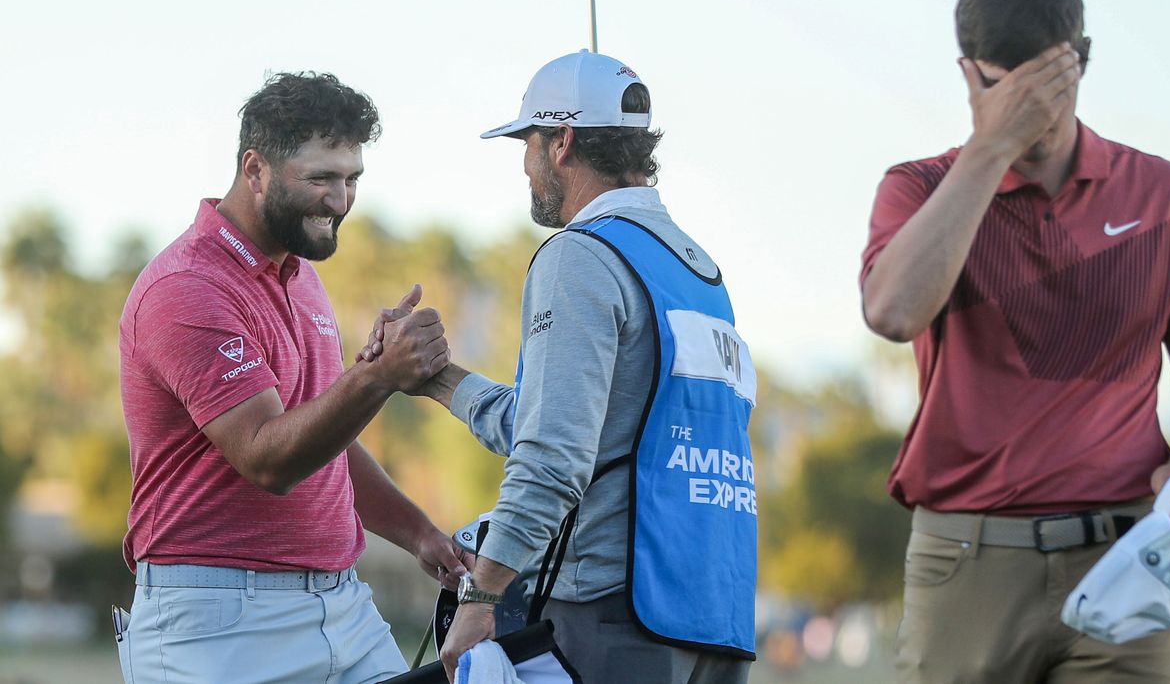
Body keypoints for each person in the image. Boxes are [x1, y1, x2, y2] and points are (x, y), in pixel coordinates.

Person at [860, 0, 1170, 683]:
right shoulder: (918, 190)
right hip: (965, 562)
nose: (1026, 110)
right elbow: (893, 311)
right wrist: (992, 147)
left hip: (1130, 554)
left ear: (1082, 62)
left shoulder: (1165, 195)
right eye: (1005, 89)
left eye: (1045, 84)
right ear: (969, 75)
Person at [362, 50, 758, 683]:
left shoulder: (578, 256)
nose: (524, 164)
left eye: (528, 142)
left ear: (562, 142)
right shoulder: (698, 272)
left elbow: (552, 457)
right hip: (715, 612)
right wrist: (436, 379)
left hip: (617, 614)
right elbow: (570, 421)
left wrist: (482, 596)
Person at [117, 72, 471, 683]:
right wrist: (377, 378)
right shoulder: (187, 288)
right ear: (255, 170)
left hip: (342, 605)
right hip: (218, 622)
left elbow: (321, 442)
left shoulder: (300, 274)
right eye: (321, 178)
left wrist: (420, 534)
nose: (341, 200)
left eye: (352, 178)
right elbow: (268, 457)